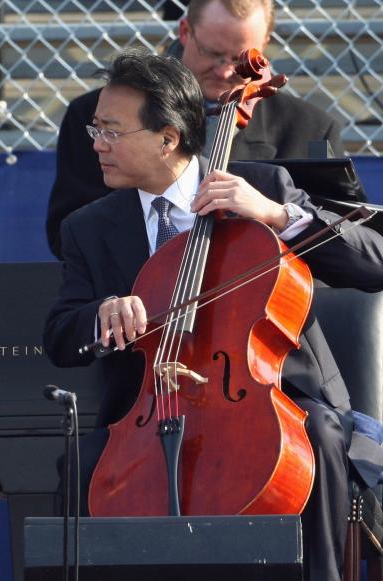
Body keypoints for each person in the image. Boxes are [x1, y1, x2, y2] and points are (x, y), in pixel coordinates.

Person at [42, 49, 383, 581]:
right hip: (151, 408)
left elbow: (374, 263)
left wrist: (277, 217)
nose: (97, 146)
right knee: (81, 464)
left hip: (275, 398)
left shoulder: (263, 188)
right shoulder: (87, 227)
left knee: (315, 436)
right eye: (95, 129)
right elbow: (61, 337)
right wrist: (102, 314)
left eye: (112, 131)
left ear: (168, 138)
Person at [45, 0, 345, 260]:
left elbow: (343, 249)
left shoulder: (311, 128)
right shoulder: (99, 116)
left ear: (264, 43)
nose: (227, 71)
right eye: (212, 53)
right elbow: (67, 235)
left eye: (240, 57)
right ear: (185, 32)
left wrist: (277, 217)